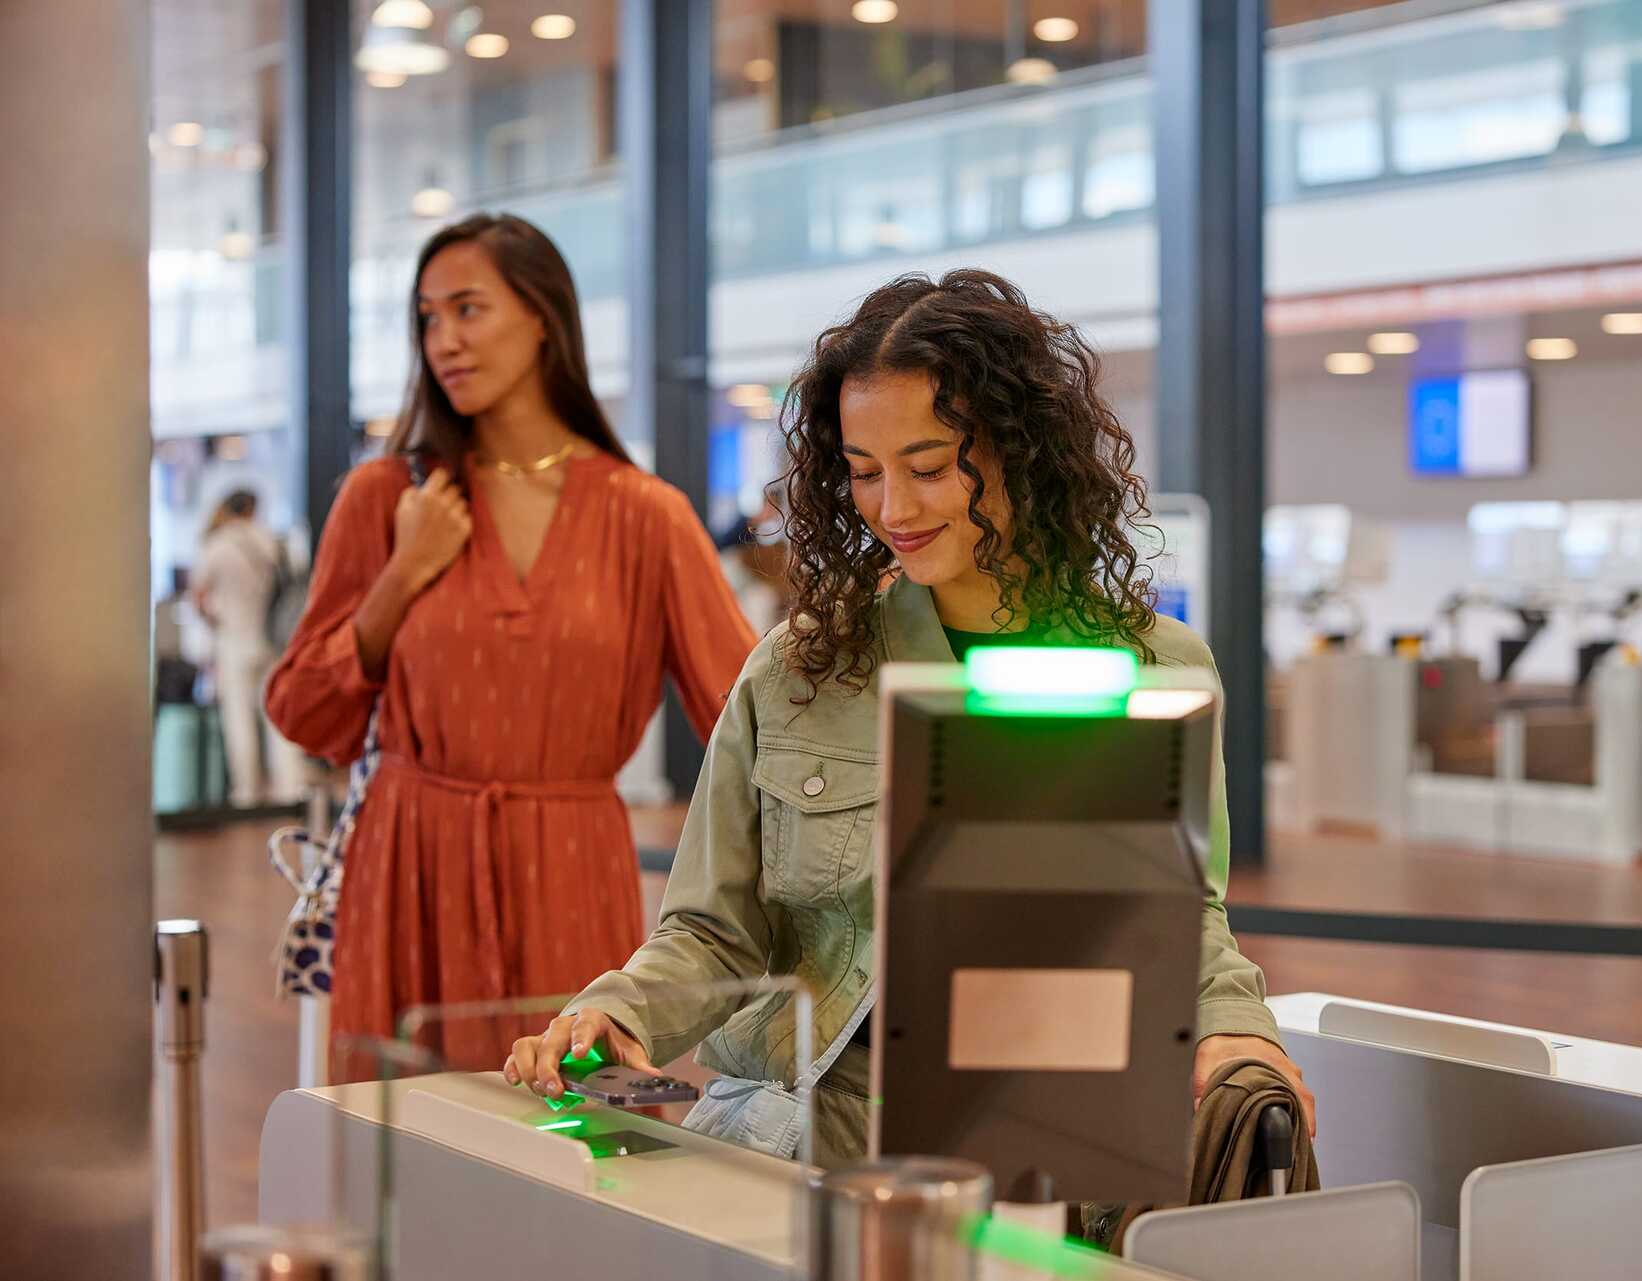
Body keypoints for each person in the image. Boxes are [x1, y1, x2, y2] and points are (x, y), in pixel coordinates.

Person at [506, 268, 1314, 1165]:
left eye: (929, 467)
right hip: (811, 1131)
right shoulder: (800, 669)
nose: (892, 508)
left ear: (1023, 449)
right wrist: (621, 1011)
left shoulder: (1156, 668)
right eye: (863, 473)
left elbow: (1178, 916)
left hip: (1060, 1143)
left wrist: (1238, 1030)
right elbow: (710, 930)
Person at [266, 214, 757, 1073]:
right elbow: (305, 713)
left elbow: (748, 718)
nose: (443, 339)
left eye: (468, 309)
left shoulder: (645, 516)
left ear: (543, 316)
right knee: (398, 1155)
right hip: (407, 872)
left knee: (567, 1150)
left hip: (570, 870)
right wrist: (399, 578)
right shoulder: (386, 498)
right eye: (427, 318)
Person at [192, 489, 304, 807]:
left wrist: (215, 619)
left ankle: (247, 792)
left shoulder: (217, 545)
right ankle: (289, 787)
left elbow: (199, 595)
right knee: (276, 717)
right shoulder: (272, 541)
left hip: (234, 641)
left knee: (238, 719)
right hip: (273, 640)